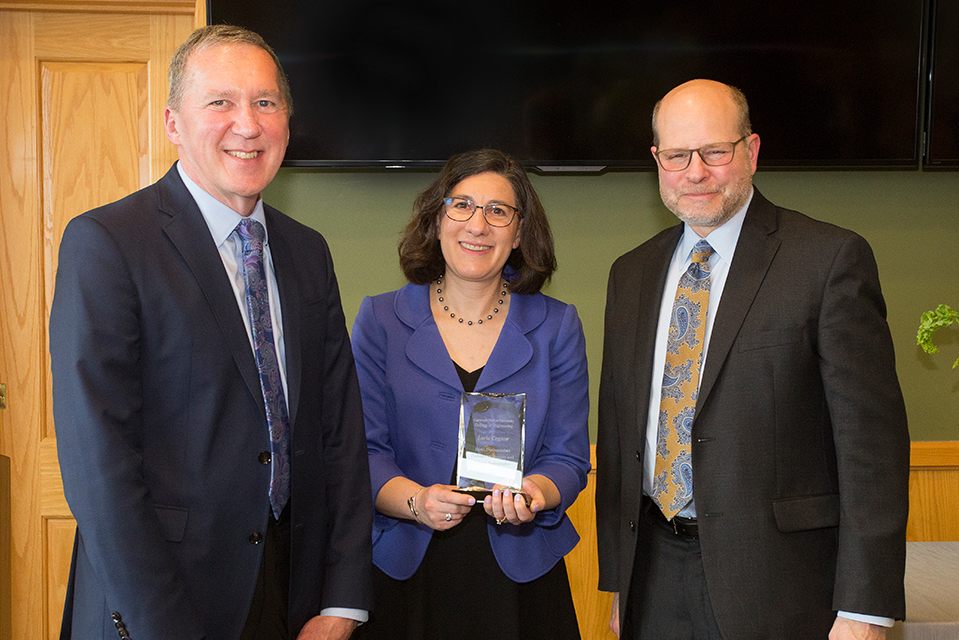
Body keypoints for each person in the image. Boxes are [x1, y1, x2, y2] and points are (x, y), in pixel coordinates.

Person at [49, 25, 372, 640]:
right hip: (158, 603)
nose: (247, 124)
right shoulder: (109, 244)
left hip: (291, 594)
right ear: (173, 122)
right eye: (220, 102)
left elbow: (340, 434)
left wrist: (343, 598)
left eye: (265, 102)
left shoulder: (307, 252)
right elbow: (100, 462)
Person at [596, 79, 910, 640]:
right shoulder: (632, 273)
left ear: (752, 150)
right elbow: (622, 435)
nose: (695, 172)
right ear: (657, 160)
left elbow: (871, 449)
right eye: (676, 155)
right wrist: (621, 584)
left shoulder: (829, 259)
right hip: (653, 579)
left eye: (715, 152)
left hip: (783, 585)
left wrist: (865, 609)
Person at [350, 149, 591, 640]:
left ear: (519, 233)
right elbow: (363, 451)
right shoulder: (379, 321)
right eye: (461, 206)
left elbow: (568, 456)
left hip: (521, 577)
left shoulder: (557, 325)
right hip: (406, 566)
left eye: (498, 211)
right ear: (437, 220)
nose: (478, 225)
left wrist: (534, 494)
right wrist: (416, 501)